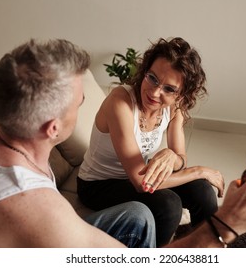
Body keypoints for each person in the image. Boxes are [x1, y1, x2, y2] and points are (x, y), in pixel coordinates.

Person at [0, 38, 246, 249]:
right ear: (53, 127)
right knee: (159, 208)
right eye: (80, 101)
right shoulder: (44, 215)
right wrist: (226, 224)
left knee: (159, 207)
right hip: (93, 192)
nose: (87, 105)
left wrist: (174, 158)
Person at [0, 39, 155, 248]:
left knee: (138, 216)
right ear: (53, 128)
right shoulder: (37, 208)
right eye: (79, 102)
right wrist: (189, 242)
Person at [77, 37, 225, 247]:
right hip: (98, 185)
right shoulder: (120, 102)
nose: (155, 92)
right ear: (145, 71)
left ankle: (209, 249)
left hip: (140, 174)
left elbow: (180, 157)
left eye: (169, 89)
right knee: (169, 204)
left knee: (202, 191)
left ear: (181, 95)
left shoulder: (175, 107)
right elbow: (141, 182)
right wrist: (199, 170)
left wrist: (172, 156)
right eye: (152, 78)